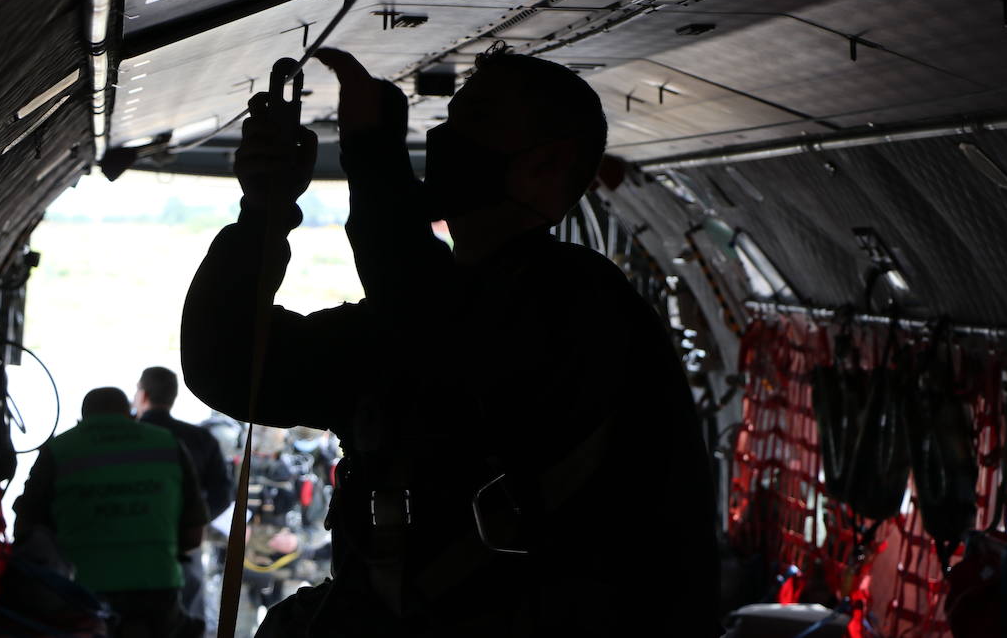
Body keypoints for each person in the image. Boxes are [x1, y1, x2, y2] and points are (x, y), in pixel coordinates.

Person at [182, 43, 720, 636]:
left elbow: (442, 332)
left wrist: (374, 158)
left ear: (547, 165)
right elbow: (231, 364)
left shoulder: (582, 304)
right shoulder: (402, 320)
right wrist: (263, 212)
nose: (445, 140)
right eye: (452, 119)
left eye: (478, 122)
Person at [13, 387, 210, 637]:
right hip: (158, 593)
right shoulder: (168, 445)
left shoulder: (60, 449)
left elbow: (25, 532)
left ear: (83, 419)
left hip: (81, 594)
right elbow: (194, 535)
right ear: (130, 415)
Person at [133, 365, 233, 624]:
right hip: (185, 546)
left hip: (129, 544)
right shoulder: (201, 439)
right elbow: (223, 493)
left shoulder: (124, 437)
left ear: (142, 396)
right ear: (172, 397)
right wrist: (194, 521)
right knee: (187, 615)